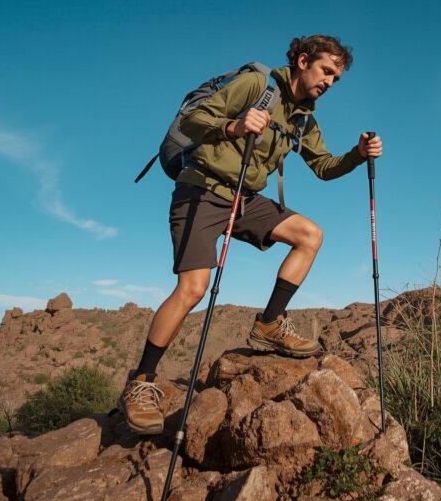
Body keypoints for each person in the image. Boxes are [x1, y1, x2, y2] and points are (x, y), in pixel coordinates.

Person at [120, 35, 383, 434]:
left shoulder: (304, 120)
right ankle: (141, 381)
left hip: (245, 198)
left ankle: (270, 323)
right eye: (326, 71)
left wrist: (357, 155)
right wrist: (234, 125)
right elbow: (192, 120)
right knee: (193, 289)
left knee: (310, 235)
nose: (329, 82)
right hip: (201, 190)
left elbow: (324, 167)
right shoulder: (257, 86)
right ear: (302, 61)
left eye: (336, 77)